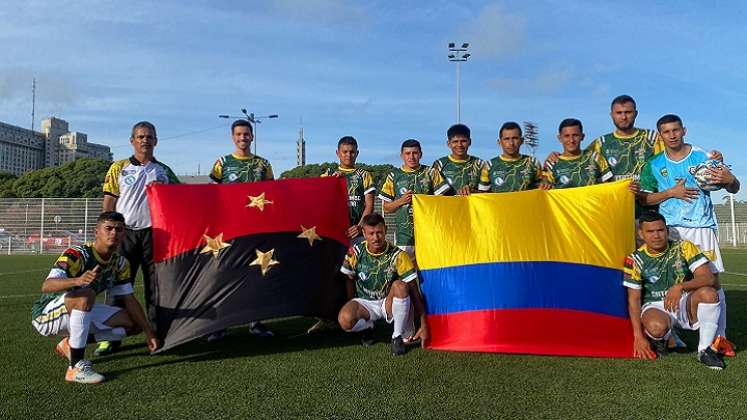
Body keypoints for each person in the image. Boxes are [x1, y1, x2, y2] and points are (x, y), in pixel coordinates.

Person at [638, 114, 740, 357]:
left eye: (675, 130)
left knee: (712, 282)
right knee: (669, 282)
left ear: (684, 130)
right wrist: (671, 192)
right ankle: (671, 333)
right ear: (660, 135)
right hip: (671, 230)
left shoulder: (703, 157)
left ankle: (719, 338)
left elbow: (733, 187)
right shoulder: (653, 164)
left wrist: (730, 179)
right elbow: (643, 198)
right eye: (666, 131)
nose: (672, 135)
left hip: (702, 227)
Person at [31, 212, 159, 383]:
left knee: (134, 324)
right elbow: (46, 286)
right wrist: (77, 280)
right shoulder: (77, 254)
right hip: (47, 315)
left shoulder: (120, 263)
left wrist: (148, 332)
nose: (114, 233)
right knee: (86, 295)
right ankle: (75, 367)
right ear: (97, 231)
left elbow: (129, 299)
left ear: (124, 234)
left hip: (79, 310)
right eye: (108, 228)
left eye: (119, 229)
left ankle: (70, 343)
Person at [98, 121, 179, 356]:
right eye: (141, 136)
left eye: (150, 136)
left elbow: (180, 198)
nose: (145, 140)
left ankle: (156, 334)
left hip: (155, 235)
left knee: (156, 287)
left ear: (156, 140)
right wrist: (107, 231)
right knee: (117, 287)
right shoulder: (118, 167)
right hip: (125, 235)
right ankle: (110, 338)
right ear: (132, 140)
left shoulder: (164, 170)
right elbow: (109, 201)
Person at [623, 211, 724, 369]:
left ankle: (705, 350)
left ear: (667, 231)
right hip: (655, 306)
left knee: (709, 294)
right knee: (656, 327)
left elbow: (709, 278)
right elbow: (633, 299)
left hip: (684, 301)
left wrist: (680, 286)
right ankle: (663, 337)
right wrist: (638, 336)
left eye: (660, 230)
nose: (656, 235)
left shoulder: (684, 247)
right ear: (641, 234)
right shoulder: (635, 259)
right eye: (650, 231)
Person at [206, 119, 274, 341]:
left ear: (252, 137)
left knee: (256, 275)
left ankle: (256, 322)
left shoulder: (263, 164)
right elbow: (211, 195)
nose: (242, 138)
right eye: (238, 134)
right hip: (229, 230)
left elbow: (274, 195)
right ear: (232, 137)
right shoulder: (222, 163)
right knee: (226, 276)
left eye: (246, 134)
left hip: (256, 229)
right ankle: (221, 325)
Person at [308, 136, 376, 334]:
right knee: (330, 275)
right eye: (345, 151)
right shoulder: (328, 174)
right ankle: (326, 317)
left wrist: (359, 226)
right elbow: (319, 203)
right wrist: (330, 184)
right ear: (337, 153)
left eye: (352, 151)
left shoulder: (364, 175)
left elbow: (369, 205)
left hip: (356, 234)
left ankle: (361, 316)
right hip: (333, 235)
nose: (348, 155)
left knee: (356, 276)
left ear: (357, 153)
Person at [337, 213, 428, 356]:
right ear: (364, 233)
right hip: (365, 303)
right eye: (371, 233)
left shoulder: (398, 255)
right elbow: (348, 279)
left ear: (385, 229)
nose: (376, 237)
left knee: (401, 286)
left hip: (388, 302)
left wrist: (424, 324)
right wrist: (352, 303)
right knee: (344, 320)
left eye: (379, 232)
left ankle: (396, 336)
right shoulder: (354, 252)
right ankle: (367, 326)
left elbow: (414, 291)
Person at [378, 139, 449, 265]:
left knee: (429, 271)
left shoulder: (431, 173)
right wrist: (401, 201)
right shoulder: (394, 176)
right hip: (404, 236)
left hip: (429, 234)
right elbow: (386, 208)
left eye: (415, 153)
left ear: (420, 154)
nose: (411, 157)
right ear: (401, 156)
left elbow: (444, 202)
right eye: (408, 153)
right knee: (406, 274)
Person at [541, 118, 612, 189]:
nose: (571, 140)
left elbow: (608, 188)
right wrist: (545, 184)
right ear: (560, 138)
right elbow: (544, 187)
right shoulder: (552, 163)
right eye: (566, 136)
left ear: (582, 136)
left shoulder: (595, 158)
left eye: (575, 135)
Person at [478, 121, 542, 193]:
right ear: (499, 142)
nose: (511, 143)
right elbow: (481, 195)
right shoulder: (489, 166)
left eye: (515, 138)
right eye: (507, 139)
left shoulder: (533, 163)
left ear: (522, 141)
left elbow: (543, 190)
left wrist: (546, 184)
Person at [431, 124, 483, 195]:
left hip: (472, 206)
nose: (459, 145)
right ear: (448, 143)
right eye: (455, 141)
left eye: (463, 141)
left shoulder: (479, 164)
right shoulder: (439, 164)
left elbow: (489, 194)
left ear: (470, 142)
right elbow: (431, 193)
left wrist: (472, 191)